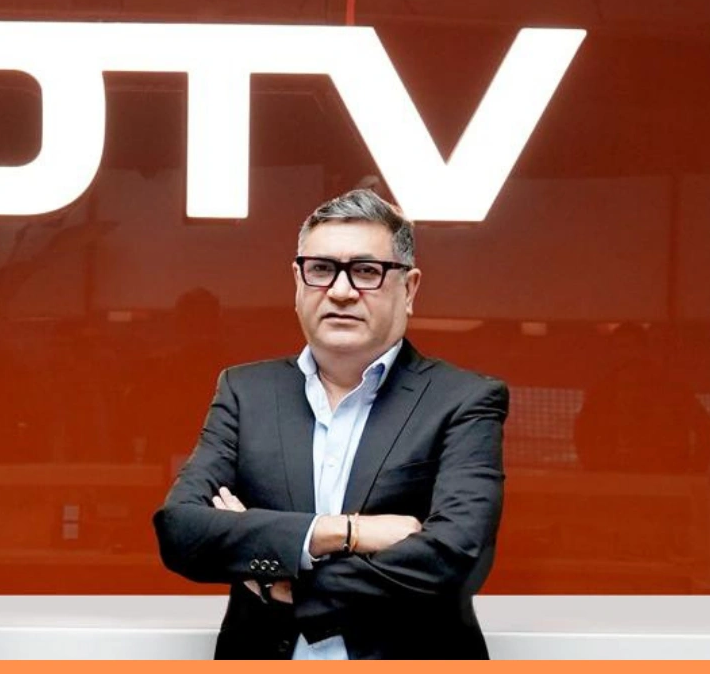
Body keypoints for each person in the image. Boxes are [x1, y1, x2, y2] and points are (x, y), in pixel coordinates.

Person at [153, 189, 508, 660]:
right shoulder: (245, 392)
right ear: (297, 283)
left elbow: (456, 556)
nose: (340, 291)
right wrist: (344, 532)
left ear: (409, 289)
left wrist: (284, 579)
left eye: (366, 271)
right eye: (321, 269)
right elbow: (182, 530)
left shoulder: (463, 400)